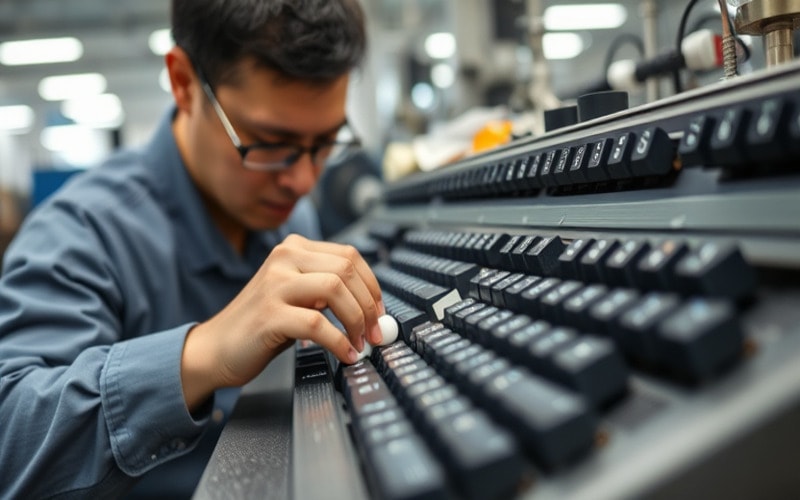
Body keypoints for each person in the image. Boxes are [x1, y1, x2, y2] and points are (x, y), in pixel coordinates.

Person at [0, 0, 380, 498]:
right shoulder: (79, 235)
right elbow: (11, 441)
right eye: (268, 143)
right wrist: (201, 355)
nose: (302, 181)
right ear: (182, 82)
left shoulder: (288, 211)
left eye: (325, 143)